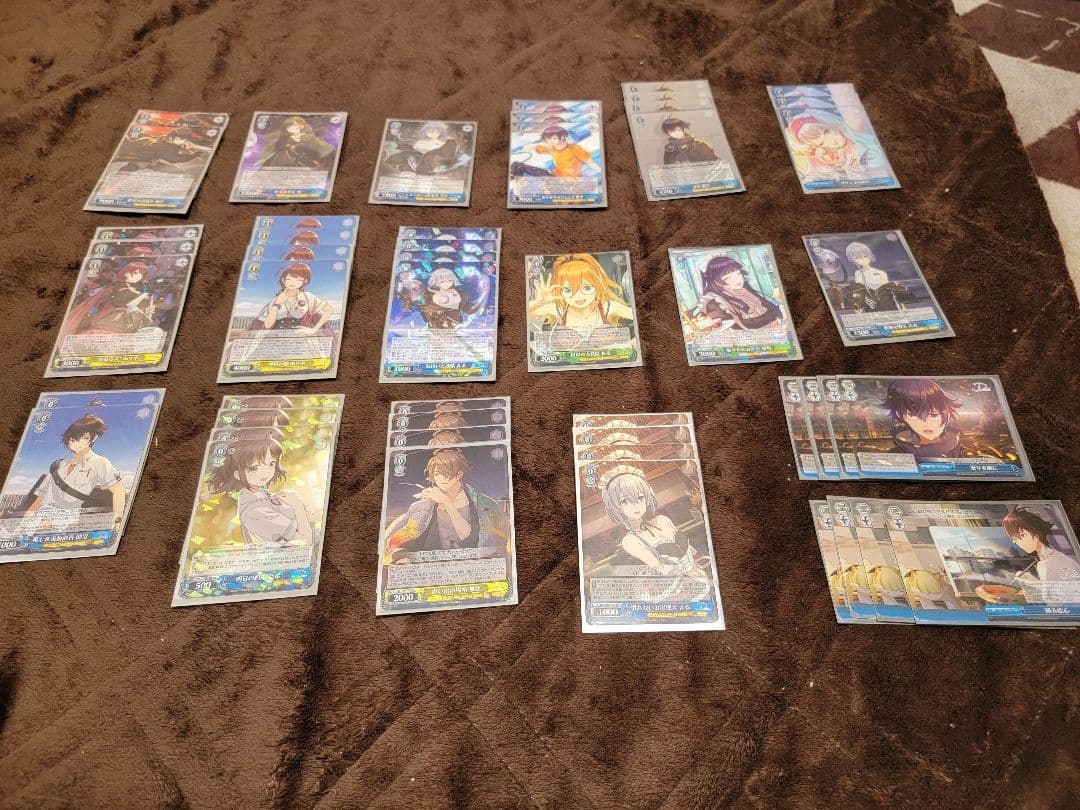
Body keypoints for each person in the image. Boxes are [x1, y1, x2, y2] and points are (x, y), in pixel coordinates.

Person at [18, 415, 125, 535]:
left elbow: (118, 490)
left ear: (93, 438)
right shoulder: (58, 465)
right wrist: (23, 523)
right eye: (73, 439)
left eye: (84, 438)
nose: (77, 443)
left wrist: (117, 521)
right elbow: (40, 498)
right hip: (39, 518)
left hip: (66, 519)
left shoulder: (99, 462)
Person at [385, 448, 502, 557]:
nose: (441, 479)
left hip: (473, 561)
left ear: (459, 474)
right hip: (436, 563)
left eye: (446, 473)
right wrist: (398, 552)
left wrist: (447, 503)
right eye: (436, 474)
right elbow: (404, 531)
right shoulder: (424, 505)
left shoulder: (483, 504)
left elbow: (468, 536)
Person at [207, 431, 314, 547]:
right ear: (237, 474)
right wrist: (297, 505)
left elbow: (310, 517)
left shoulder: (265, 496)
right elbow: (306, 541)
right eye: (254, 468)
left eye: (271, 463)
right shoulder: (254, 512)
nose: (266, 472)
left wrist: (301, 512)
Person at [528, 253, 634, 335]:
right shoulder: (558, 309)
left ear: (597, 285)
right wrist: (538, 301)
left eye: (587, 288)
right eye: (568, 291)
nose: (578, 296)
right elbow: (525, 315)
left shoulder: (608, 307)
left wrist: (633, 342)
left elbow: (639, 316)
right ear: (560, 292)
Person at [688, 255, 782, 331]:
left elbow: (774, 313)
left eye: (738, 273)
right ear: (716, 282)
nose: (737, 279)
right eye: (728, 278)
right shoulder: (716, 303)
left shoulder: (747, 292)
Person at [881, 379, 965, 459]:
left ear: (948, 413)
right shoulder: (900, 448)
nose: (926, 423)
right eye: (912, 415)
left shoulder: (956, 445)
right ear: (900, 415)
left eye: (934, 415)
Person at [1001, 508, 1080, 584]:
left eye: (1022, 535)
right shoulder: (1043, 561)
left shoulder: (1058, 562)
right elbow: (1051, 590)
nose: (1016, 542)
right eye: (1013, 538)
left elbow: (1072, 592)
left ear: (1036, 535)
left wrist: (1034, 583)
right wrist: (1034, 582)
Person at [251, 263, 333, 336]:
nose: (293, 282)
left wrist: (314, 329)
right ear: (283, 280)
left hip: (301, 338)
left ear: (305, 281)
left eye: (299, 280)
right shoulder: (276, 300)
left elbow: (329, 309)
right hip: (277, 338)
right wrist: (277, 304)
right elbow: (267, 326)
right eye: (289, 279)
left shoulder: (307, 297)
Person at [786, 114, 862, 177]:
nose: (830, 140)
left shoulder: (851, 136)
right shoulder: (823, 157)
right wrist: (839, 164)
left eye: (827, 132)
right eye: (821, 144)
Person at [511, 126, 600, 177]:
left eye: (562, 137)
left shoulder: (574, 148)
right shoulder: (551, 147)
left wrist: (601, 171)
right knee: (516, 165)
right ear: (547, 140)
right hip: (554, 176)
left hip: (570, 181)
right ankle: (518, 187)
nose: (560, 140)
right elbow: (526, 148)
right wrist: (543, 144)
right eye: (555, 138)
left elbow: (590, 162)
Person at [845, 241, 906, 313]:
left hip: (884, 305)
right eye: (857, 258)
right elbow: (859, 292)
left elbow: (887, 292)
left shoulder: (880, 273)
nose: (863, 259)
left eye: (865, 256)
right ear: (853, 260)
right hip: (868, 307)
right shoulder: (857, 273)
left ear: (869, 254)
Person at [254, 115, 335, 169]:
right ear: (286, 128)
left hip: (304, 163)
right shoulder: (285, 138)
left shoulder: (309, 137)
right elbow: (273, 149)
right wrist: (263, 159)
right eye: (291, 125)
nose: (295, 127)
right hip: (283, 162)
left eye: (297, 125)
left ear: (302, 126)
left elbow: (324, 148)